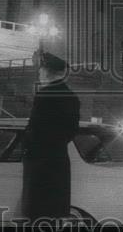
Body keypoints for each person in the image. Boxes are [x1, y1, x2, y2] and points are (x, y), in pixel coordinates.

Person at [21, 51, 80, 221]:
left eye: (40, 70)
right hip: (59, 160)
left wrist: (27, 148)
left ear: (48, 72)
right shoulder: (72, 97)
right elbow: (71, 131)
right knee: (54, 214)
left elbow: (35, 129)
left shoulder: (45, 95)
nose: (39, 73)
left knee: (38, 214)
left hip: (40, 164)